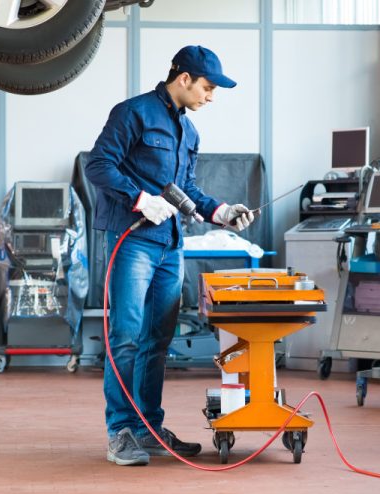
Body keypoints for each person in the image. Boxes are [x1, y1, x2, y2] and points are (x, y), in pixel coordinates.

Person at [85, 45, 256, 466]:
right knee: (125, 336)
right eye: (208, 87)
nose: (211, 96)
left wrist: (221, 212)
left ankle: (146, 428)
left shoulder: (190, 132)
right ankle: (120, 432)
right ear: (184, 79)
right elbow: (97, 165)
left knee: (157, 341)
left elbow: (188, 191)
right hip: (133, 240)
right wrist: (139, 198)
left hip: (171, 244)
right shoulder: (133, 113)